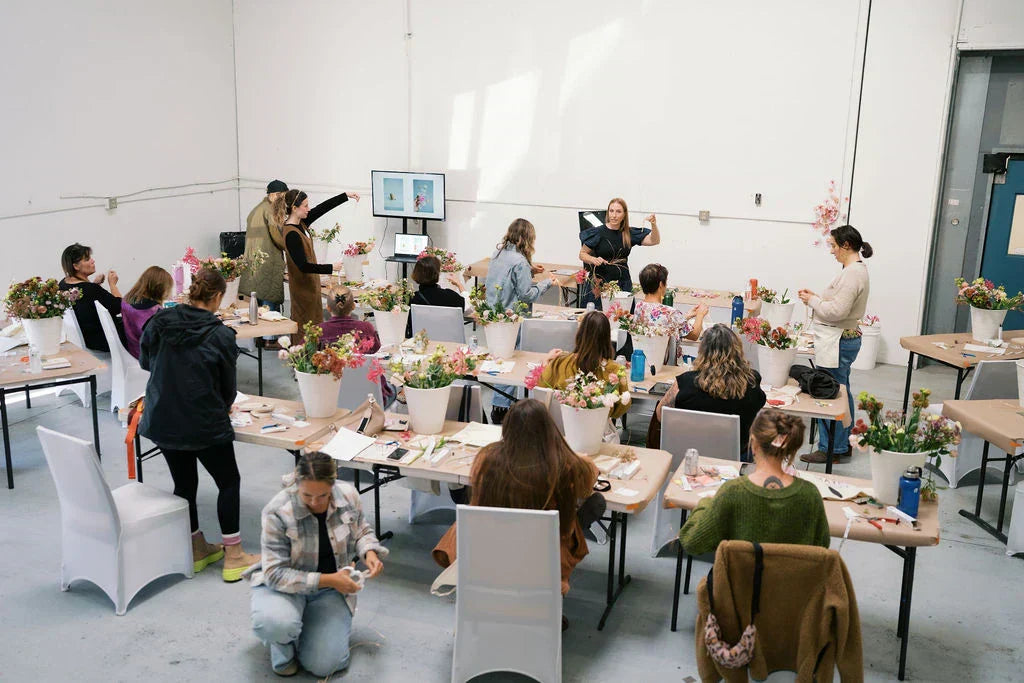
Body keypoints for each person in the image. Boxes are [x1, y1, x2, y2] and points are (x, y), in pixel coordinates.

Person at [139, 268, 259, 583]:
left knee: (184, 486)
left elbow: (146, 363)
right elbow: (228, 391)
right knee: (228, 481)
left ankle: (196, 550)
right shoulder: (221, 335)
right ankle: (234, 555)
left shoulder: (160, 322)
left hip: (163, 419)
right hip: (203, 422)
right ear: (218, 297)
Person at [432, 399, 598, 599]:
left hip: (488, 547)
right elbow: (588, 485)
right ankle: (549, 596)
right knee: (591, 506)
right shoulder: (564, 465)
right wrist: (580, 458)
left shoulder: (488, 458)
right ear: (548, 429)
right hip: (542, 554)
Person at [247, 452, 387, 677]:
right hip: (285, 586)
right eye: (307, 495)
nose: (314, 502)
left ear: (333, 483)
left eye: (322, 495)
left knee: (326, 666)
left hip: (330, 591)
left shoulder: (349, 495)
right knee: (274, 623)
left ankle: (305, 628)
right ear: (297, 483)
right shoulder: (277, 511)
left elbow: (362, 530)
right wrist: (330, 579)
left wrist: (368, 551)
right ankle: (283, 644)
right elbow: (274, 574)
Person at [678, 409, 830, 556]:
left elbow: (691, 542)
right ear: (792, 447)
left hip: (739, 581)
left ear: (754, 443)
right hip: (791, 580)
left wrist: (706, 503)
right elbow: (821, 548)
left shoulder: (732, 492)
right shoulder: (810, 495)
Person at [797, 224, 872, 465]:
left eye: (833, 246)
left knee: (829, 392)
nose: (831, 251)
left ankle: (832, 448)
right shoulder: (855, 270)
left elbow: (837, 311)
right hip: (843, 337)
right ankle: (841, 443)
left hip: (838, 339)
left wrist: (813, 301)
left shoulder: (852, 273)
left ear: (846, 245)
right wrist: (817, 298)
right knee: (841, 389)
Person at [650, 324, 766, 458]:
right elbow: (759, 406)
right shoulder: (751, 381)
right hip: (734, 458)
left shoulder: (686, 382)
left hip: (688, 455)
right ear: (737, 350)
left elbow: (661, 414)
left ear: (702, 351)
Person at [485, 218, 560, 423]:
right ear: (527, 238)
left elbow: (507, 278)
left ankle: (498, 405)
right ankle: (502, 407)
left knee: (500, 359)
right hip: (512, 317)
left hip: (493, 316)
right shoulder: (519, 261)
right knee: (511, 361)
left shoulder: (498, 254)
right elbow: (526, 295)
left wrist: (530, 270)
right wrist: (546, 283)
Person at [281, 187, 360, 345]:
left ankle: (314, 360)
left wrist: (345, 195)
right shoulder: (291, 234)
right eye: (305, 206)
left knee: (314, 326)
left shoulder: (302, 223)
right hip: (302, 290)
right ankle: (301, 362)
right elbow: (303, 266)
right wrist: (331, 268)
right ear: (294, 208)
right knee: (304, 326)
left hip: (311, 287)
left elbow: (322, 208)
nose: (308, 209)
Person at [538, 311, 631, 421]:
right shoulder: (615, 370)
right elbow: (620, 409)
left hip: (563, 430)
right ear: (607, 338)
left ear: (580, 334)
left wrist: (546, 362)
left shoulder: (560, 362)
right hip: (598, 433)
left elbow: (541, 389)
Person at [579, 198, 661, 309]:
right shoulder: (598, 232)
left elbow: (654, 240)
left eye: (618, 211)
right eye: (611, 211)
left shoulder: (629, 233)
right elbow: (582, 254)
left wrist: (654, 225)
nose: (614, 215)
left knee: (622, 316)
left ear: (624, 214)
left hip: (622, 281)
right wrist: (593, 259)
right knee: (597, 315)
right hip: (600, 281)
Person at [239, 179, 289, 328]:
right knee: (269, 301)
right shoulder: (270, 211)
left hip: (254, 262)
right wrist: (292, 245)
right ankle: (270, 338)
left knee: (258, 302)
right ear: (275, 195)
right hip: (268, 262)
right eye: (283, 197)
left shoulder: (256, 209)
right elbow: (278, 238)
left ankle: (260, 337)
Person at [58, 243, 125, 352]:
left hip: (86, 338)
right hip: (104, 341)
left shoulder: (63, 284)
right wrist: (112, 284)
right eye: (87, 259)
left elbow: (85, 300)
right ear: (76, 266)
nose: (92, 261)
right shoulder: (91, 289)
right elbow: (120, 306)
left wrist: (95, 284)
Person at [635, 263, 708, 362]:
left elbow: (663, 322)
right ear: (661, 284)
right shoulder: (670, 313)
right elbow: (694, 335)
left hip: (645, 360)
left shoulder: (639, 307)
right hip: (667, 363)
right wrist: (700, 314)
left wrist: (686, 316)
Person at [406, 254, 468, 337]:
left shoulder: (411, 299)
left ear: (416, 274)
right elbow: (468, 305)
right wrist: (459, 284)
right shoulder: (451, 296)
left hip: (420, 346)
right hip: (448, 346)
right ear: (437, 274)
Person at [121, 266, 173, 359]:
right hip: (148, 359)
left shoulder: (126, 301)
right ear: (160, 289)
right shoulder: (155, 314)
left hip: (133, 351)